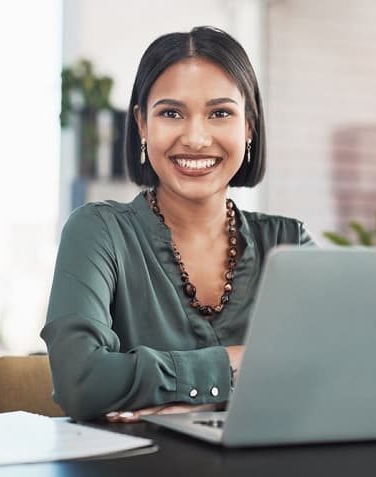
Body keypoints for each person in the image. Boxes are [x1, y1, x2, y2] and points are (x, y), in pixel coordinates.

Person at [42, 26, 314, 422]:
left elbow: (332, 370)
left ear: (249, 126)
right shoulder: (98, 232)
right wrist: (236, 363)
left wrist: (207, 398)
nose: (196, 138)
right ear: (141, 125)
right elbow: (81, 382)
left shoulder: (289, 243)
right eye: (171, 113)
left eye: (220, 113)